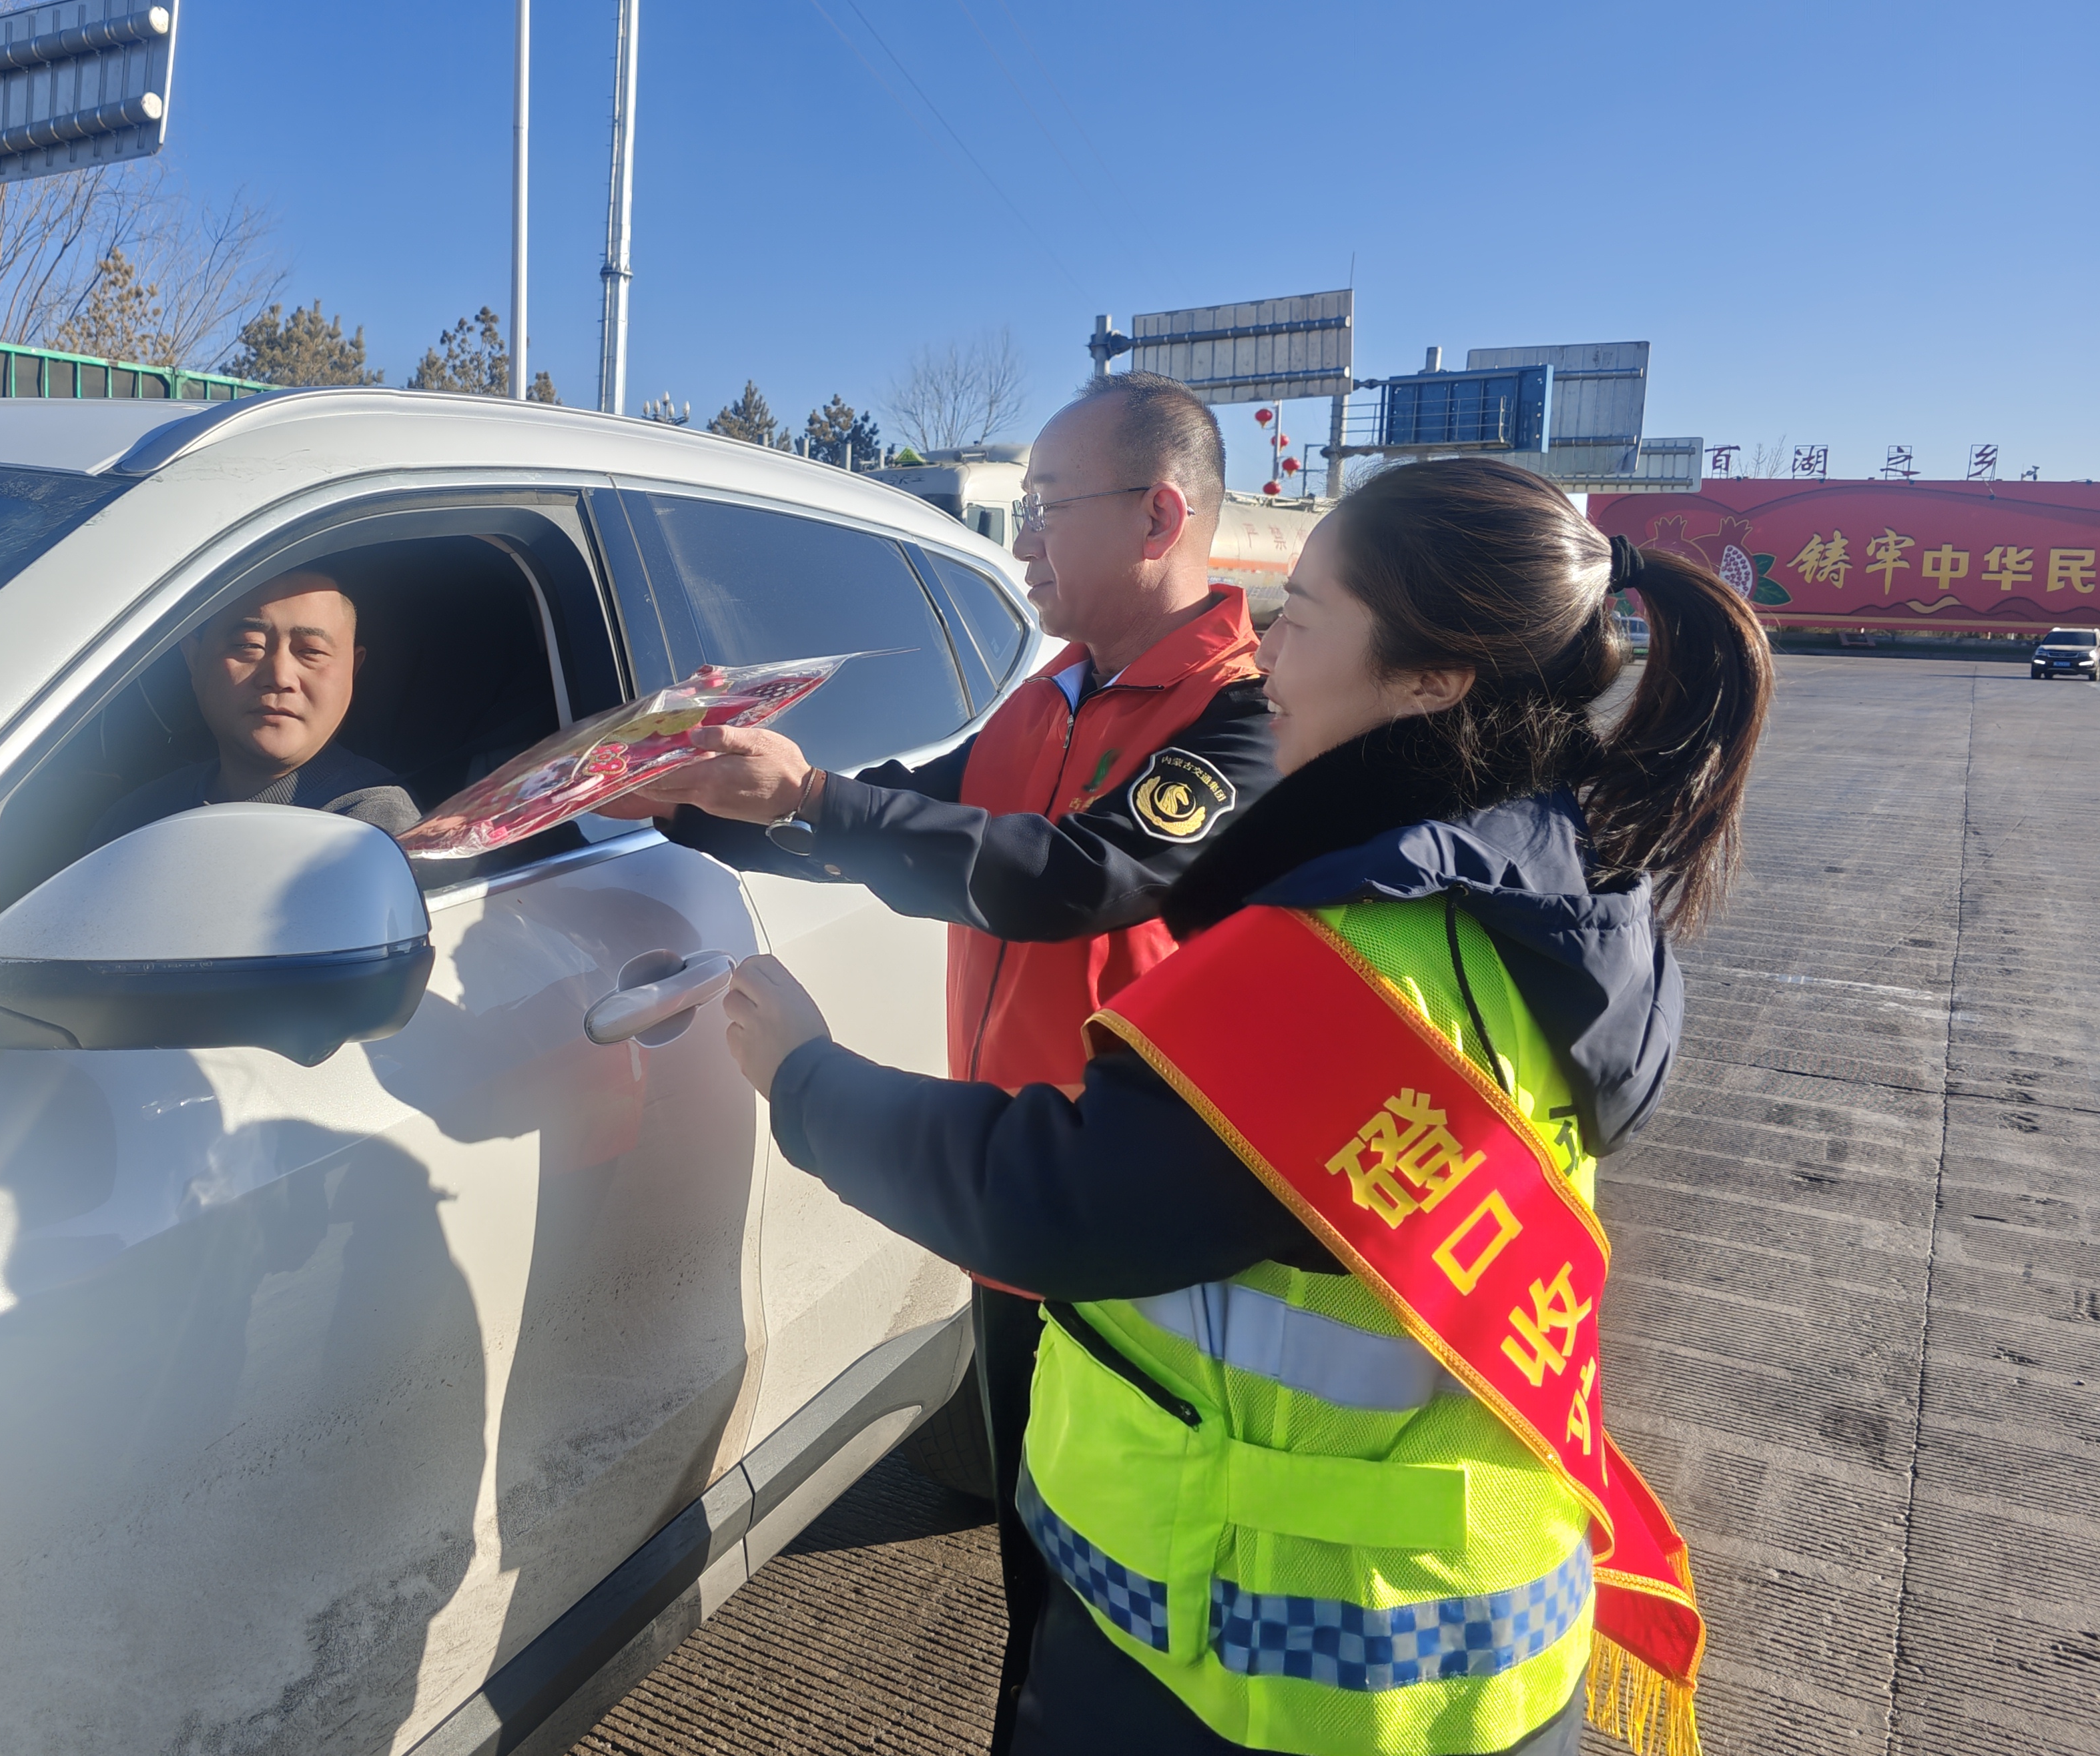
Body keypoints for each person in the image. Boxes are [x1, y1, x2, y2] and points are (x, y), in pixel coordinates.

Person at [715, 458, 1769, 1755]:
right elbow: (931, 807)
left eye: (1307, 615)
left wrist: (805, 1079)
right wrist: (778, 810)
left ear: (1434, 680)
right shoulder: (1550, 886)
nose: (1268, 649)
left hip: (1274, 1651)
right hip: (1452, 1620)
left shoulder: (1345, 956)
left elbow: (1059, 1192)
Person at [615, 374, 1281, 1743]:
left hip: (1125, 1221)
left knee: (1133, 1586)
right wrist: (693, 811)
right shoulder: (1048, 701)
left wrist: (810, 795)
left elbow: (1074, 877)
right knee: (1033, 1555)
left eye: (1043, 508)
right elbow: (921, 815)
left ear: (1157, 514)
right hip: (1003, 1194)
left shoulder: (1241, 715)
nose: (1020, 538)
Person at [89, 569, 419, 847]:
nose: (279, 677)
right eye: (250, 645)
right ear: (193, 659)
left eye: (311, 651)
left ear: (352, 670)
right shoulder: (138, 819)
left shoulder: (374, 832)